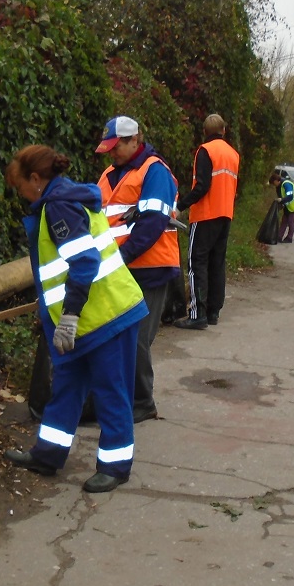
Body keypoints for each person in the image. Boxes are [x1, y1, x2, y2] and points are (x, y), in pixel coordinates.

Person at [2, 145, 148, 493]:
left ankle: (115, 467)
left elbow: (84, 263)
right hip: (89, 318)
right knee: (67, 386)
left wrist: (67, 317)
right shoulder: (63, 200)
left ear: (36, 179)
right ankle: (48, 454)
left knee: (111, 391)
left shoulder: (59, 207)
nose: (20, 194)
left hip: (107, 317)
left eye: (20, 185)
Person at [95, 116, 181, 423]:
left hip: (150, 267)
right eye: (109, 149)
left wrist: (120, 256)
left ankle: (142, 402)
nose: (112, 153)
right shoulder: (109, 173)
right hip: (119, 266)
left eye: (116, 147)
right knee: (117, 336)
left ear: (135, 140)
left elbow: (153, 224)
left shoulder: (155, 171)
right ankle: (122, 397)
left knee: (137, 337)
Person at [174, 113, 239, 329]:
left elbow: (201, 186)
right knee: (216, 263)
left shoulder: (205, 151)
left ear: (205, 132)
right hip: (225, 214)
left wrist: (181, 206)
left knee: (196, 263)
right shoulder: (233, 154)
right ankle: (213, 312)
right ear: (224, 130)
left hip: (205, 215)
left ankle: (196, 314)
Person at [270, 169, 294, 243]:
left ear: (276, 181)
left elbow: (290, 197)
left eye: (274, 183)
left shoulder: (286, 184)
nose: (274, 185)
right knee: (284, 220)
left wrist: (281, 200)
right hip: (289, 205)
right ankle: (279, 237)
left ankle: (289, 238)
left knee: (290, 220)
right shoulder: (279, 186)